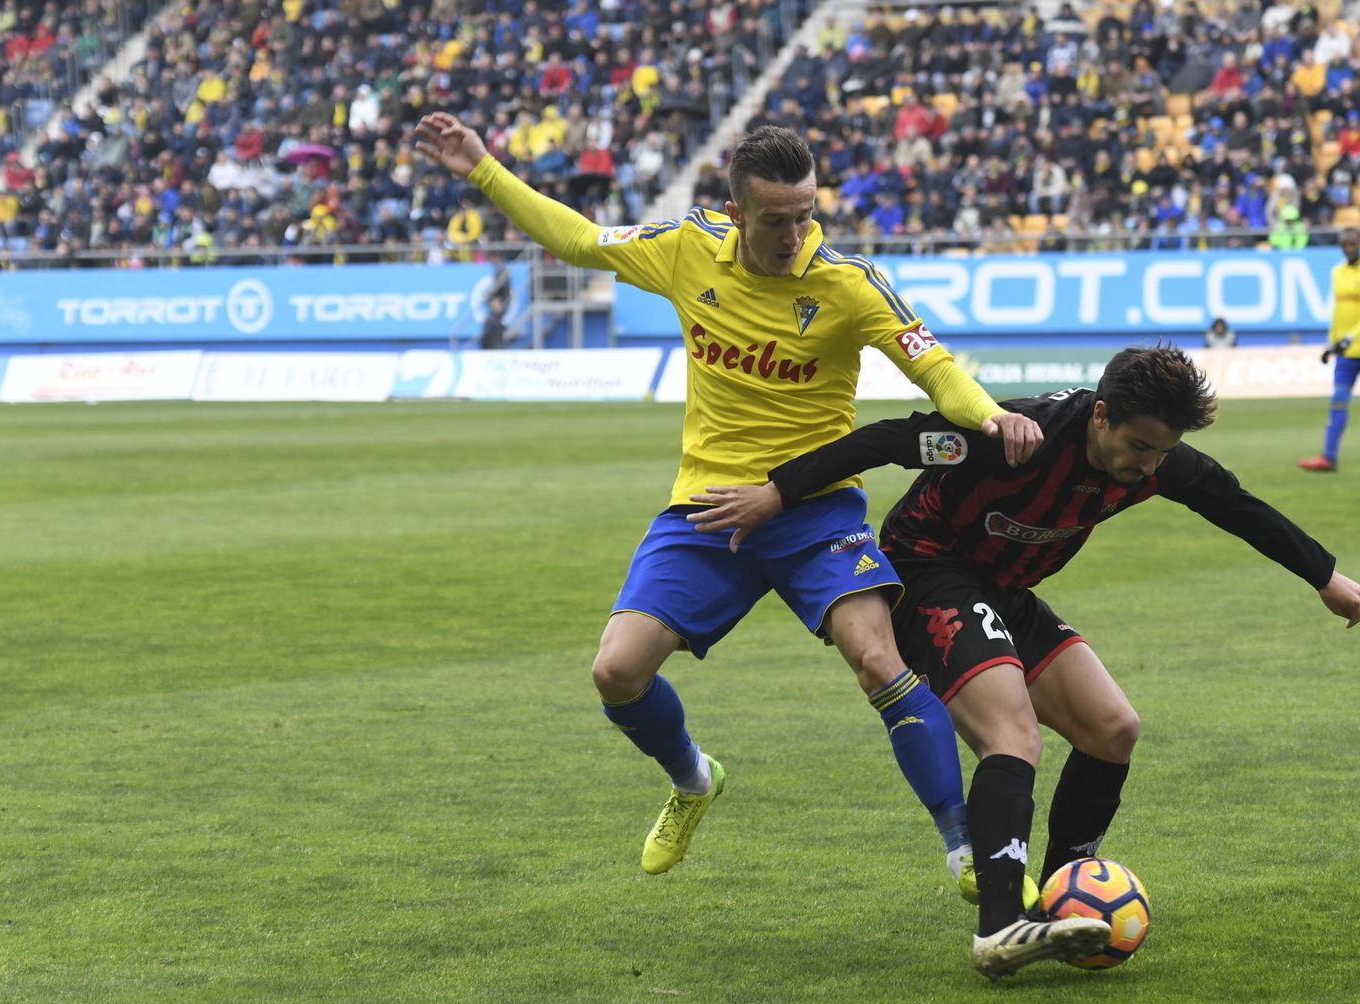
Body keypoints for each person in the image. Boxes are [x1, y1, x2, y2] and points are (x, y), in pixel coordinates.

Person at [411, 114, 1045, 888]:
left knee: (877, 656)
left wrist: (988, 415)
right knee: (615, 672)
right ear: (738, 212)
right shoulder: (687, 248)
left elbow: (934, 365)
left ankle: (963, 846)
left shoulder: (847, 284)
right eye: (777, 219)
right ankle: (693, 778)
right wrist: (484, 168)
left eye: (807, 214)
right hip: (708, 510)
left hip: (814, 508)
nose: (794, 234)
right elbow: (579, 241)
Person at [687, 344, 1360, 978]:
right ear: (1101, 416)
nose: (1150, 466)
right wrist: (776, 493)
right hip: (928, 570)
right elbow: (891, 439)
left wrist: (1325, 576)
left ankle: (1063, 895)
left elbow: (1235, 504)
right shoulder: (1014, 437)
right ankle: (999, 927)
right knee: (1011, 733)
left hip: (1005, 591)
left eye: (1163, 452)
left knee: (1112, 728)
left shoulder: (1154, 459)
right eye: (1139, 447)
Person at [1299, 227, 1360, 472]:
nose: (1348, 248)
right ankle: (1329, 457)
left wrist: (1351, 337)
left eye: (1353, 243)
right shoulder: (1337, 272)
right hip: (1346, 353)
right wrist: (1331, 343)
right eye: (1344, 244)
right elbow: (1339, 313)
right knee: (1339, 401)